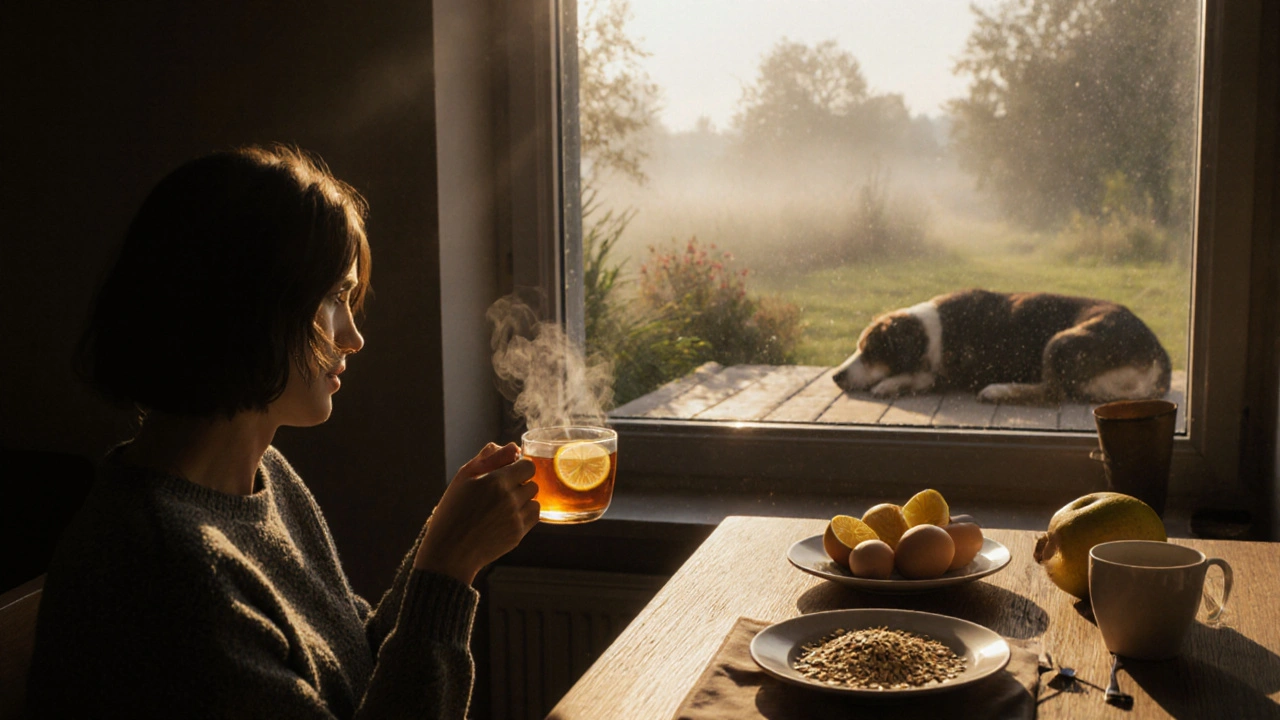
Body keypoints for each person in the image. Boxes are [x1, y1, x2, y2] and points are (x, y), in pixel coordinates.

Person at [26, 145, 539, 718]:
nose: (353, 338)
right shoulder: (165, 569)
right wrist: (447, 569)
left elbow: (356, 678)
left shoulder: (264, 476)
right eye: (335, 298)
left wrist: (443, 544)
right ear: (248, 306)